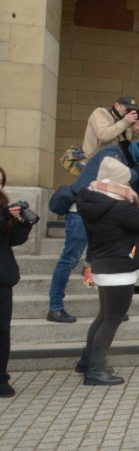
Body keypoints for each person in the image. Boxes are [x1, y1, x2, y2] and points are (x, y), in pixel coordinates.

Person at [75, 157, 139, 386]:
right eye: (126, 182)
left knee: (104, 316)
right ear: (116, 182)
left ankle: (87, 362)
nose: (128, 186)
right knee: (112, 320)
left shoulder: (93, 201)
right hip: (119, 270)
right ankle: (96, 370)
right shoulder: (118, 207)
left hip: (102, 265)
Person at [46, 145, 139, 323]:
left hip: (101, 216)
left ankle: (111, 310)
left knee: (101, 261)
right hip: (80, 214)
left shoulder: (123, 161)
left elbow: (138, 195)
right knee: (70, 259)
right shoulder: (111, 155)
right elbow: (124, 178)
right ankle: (55, 307)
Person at [0, 167, 36, 398]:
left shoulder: (4, 205)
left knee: (2, 330)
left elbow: (12, 241)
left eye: (0, 181)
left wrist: (24, 223)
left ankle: (1, 379)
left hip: (2, 277)